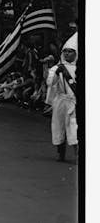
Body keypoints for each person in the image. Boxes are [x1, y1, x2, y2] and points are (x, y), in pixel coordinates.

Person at [46, 32, 78, 162]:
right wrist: (56, 74)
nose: (67, 54)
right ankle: (61, 153)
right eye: (65, 51)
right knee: (59, 126)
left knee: (74, 128)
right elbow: (50, 82)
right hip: (61, 100)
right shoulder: (57, 68)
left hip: (74, 102)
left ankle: (77, 155)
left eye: (70, 52)